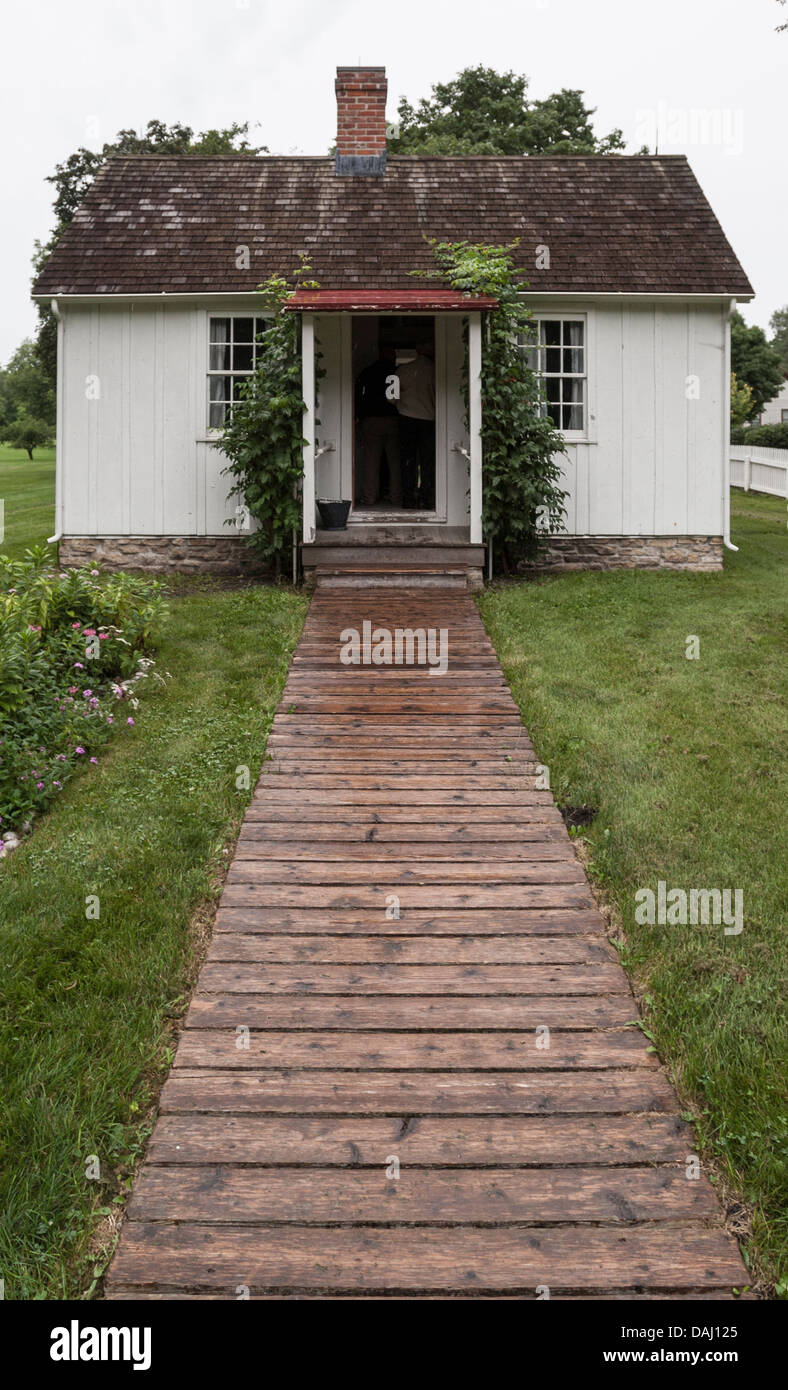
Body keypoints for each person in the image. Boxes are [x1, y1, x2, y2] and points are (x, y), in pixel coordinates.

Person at [354, 345, 402, 507]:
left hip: (371, 419)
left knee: (371, 460)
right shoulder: (396, 373)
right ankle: (396, 497)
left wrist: (359, 418)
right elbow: (400, 397)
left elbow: (358, 397)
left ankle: (369, 497)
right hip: (393, 419)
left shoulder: (367, 372)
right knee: (394, 461)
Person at [396, 341, 435, 509]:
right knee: (427, 460)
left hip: (406, 416)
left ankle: (408, 497)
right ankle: (425, 496)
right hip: (428, 418)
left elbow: (391, 397)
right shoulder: (436, 370)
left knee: (407, 459)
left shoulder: (402, 370)